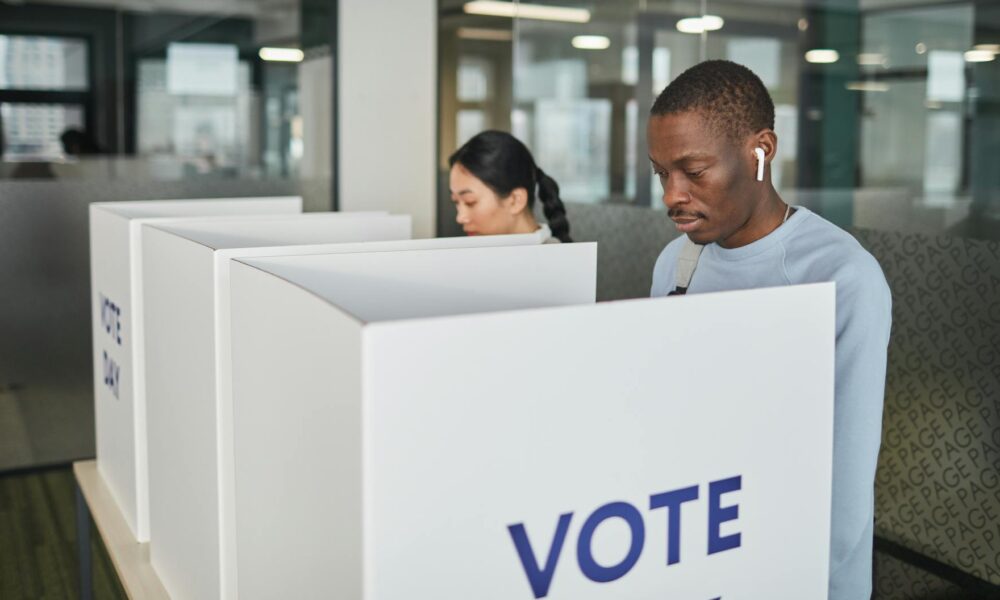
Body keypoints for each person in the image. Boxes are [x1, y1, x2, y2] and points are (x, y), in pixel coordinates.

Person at [648, 60, 891, 600]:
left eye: (693, 170)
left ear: (761, 150)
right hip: (695, 557)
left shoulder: (841, 276)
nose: (671, 195)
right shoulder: (676, 264)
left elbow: (844, 488)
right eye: (662, 173)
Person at [448, 130, 571, 243]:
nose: (460, 218)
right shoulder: (473, 257)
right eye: (456, 202)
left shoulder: (560, 262)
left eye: (470, 202)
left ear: (515, 200)